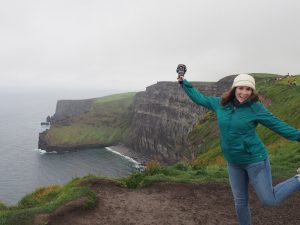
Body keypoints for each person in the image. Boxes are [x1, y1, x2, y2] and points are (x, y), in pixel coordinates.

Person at [178, 73, 300, 225]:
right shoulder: (220, 104)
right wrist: (184, 83)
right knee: (240, 202)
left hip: (255, 161)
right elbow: (200, 98)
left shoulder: (256, 108)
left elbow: (278, 125)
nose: (244, 93)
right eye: (241, 88)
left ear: (252, 91)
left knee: (269, 199)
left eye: (248, 89)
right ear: (234, 88)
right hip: (234, 163)